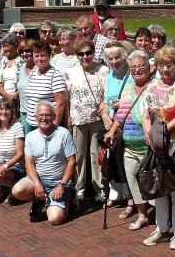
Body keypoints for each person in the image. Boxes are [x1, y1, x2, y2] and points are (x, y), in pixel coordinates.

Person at [140, 46, 175, 250]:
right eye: (161, 65)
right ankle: (161, 228)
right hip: (155, 145)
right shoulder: (151, 87)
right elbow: (145, 115)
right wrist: (149, 135)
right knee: (159, 187)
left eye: (169, 65)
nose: (165, 69)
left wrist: (160, 134)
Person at [102, 50, 154, 231]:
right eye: (133, 68)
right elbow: (122, 111)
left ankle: (161, 215)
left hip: (150, 146)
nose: (137, 70)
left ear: (149, 67)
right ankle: (143, 214)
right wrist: (113, 130)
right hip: (130, 144)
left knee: (153, 181)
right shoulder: (129, 87)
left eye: (141, 66)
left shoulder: (154, 86)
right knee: (133, 180)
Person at [11, 101, 77, 225]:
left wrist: (62, 185)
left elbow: (72, 162)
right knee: (17, 191)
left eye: (48, 115)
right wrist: (37, 184)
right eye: (41, 115)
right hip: (39, 178)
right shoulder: (30, 136)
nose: (44, 118)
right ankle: (40, 199)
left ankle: (70, 197)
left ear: (53, 116)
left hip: (59, 182)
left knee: (54, 219)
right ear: (36, 117)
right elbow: (29, 163)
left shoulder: (64, 133)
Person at [65, 39, 110, 202]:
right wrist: (68, 117)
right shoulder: (71, 72)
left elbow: (108, 93)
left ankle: (99, 189)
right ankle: (79, 188)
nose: (85, 57)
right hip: (78, 118)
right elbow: (67, 97)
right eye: (81, 54)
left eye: (88, 53)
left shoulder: (103, 70)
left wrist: (104, 105)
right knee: (79, 155)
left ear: (93, 53)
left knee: (96, 154)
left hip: (97, 118)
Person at [100, 43, 136, 218]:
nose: (114, 61)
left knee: (129, 164)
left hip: (128, 125)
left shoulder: (132, 75)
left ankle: (134, 201)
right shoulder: (110, 77)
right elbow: (106, 101)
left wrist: (123, 104)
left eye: (117, 57)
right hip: (113, 126)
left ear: (124, 56)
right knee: (118, 164)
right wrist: (105, 115)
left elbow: (135, 97)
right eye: (110, 58)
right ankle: (127, 198)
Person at [25, 41, 68, 130]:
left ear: (49, 56)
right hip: (31, 123)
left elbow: (60, 104)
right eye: (36, 56)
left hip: (47, 125)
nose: (39, 59)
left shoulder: (55, 75)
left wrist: (54, 126)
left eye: (43, 56)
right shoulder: (33, 73)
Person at [0, 34, 23, 116]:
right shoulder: (0, 61)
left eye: (7, 46)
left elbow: (26, 80)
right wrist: (6, 96)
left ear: (16, 46)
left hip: (16, 102)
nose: (4, 49)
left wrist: (15, 95)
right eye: (3, 46)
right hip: (0, 101)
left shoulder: (22, 61)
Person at [16, 39, 37, 134]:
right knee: (28, 143)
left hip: (39, 113)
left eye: (28, 51)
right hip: (24, 112)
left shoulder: (39, 68)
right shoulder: (21, 68)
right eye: (22, 51)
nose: (24, 54)